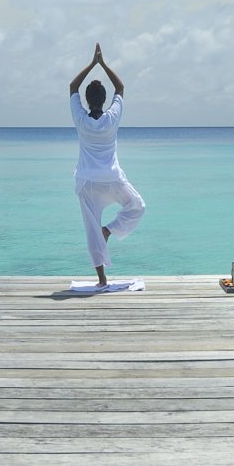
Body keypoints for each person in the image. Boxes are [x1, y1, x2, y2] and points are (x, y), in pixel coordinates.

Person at [68, 43, 144, 286]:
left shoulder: (80, 119)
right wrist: (103, 64)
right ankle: (108, 231)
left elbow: (72, 87)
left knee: (91, 229)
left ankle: (102, 279)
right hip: (111, 179)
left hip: (87, 181)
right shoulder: (112, 118)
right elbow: (120, 88)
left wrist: (91, 64)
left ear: (88, 102)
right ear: (103, 101)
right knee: (137, 207)